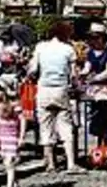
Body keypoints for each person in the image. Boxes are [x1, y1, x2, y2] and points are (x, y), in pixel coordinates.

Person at [29, 20, 80, 173]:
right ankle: (71, 163)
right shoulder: (68, 49)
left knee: (45, 127)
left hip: (43, 89)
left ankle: (51, 163)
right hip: (60, 89)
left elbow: (32, 70)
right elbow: (73, 75)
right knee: (65, 126)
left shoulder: (40, 47)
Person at [0, 90, 26, 187]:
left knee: (9, 166)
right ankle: (16, 185)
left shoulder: (12, 118)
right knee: (9, 166)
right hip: (3, 145)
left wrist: (21, 137)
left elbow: (22, 118)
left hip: (11, 143)